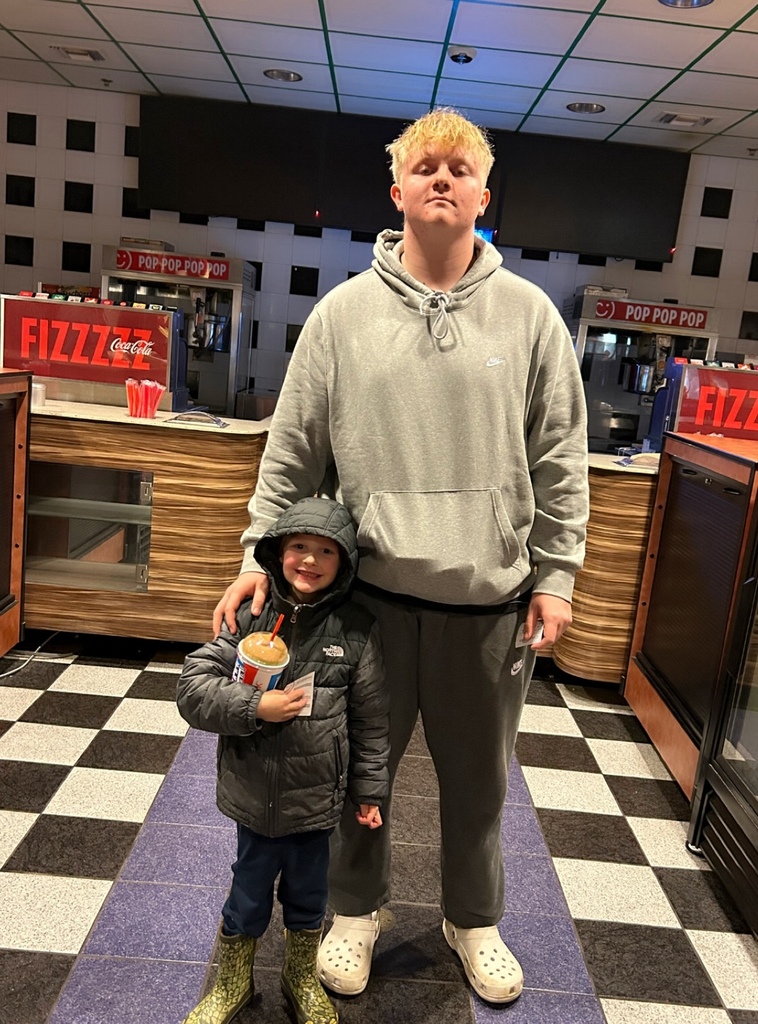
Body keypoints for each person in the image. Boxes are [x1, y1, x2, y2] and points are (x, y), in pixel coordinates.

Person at [213, 107, 589, 1005]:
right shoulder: (342, 315)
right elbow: (292, 449)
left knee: (480, 785)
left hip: (489, 602)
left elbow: (559, 457)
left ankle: (473, 920)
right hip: (366, 600)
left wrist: (558, 574)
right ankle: (355, 910)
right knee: (353, 771)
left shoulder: (531, 316)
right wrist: (257, 555)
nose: (443, 178)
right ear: (397, 191)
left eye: (461, 168)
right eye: (426, 166)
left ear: (483, 196)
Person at [178, 496, 389, 1024]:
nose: (310, 561)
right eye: (298, 547)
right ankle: (232, 981)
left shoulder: (356, 630)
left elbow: (370, 721)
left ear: (345, 563)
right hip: (253, 795)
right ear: (277, 552)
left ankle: (300, 977)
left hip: (316, 802)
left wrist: (369, 791)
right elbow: (193, 689)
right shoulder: (251, 615)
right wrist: (255, 705)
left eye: (326, 551)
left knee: (308, 896)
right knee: (247, 894)